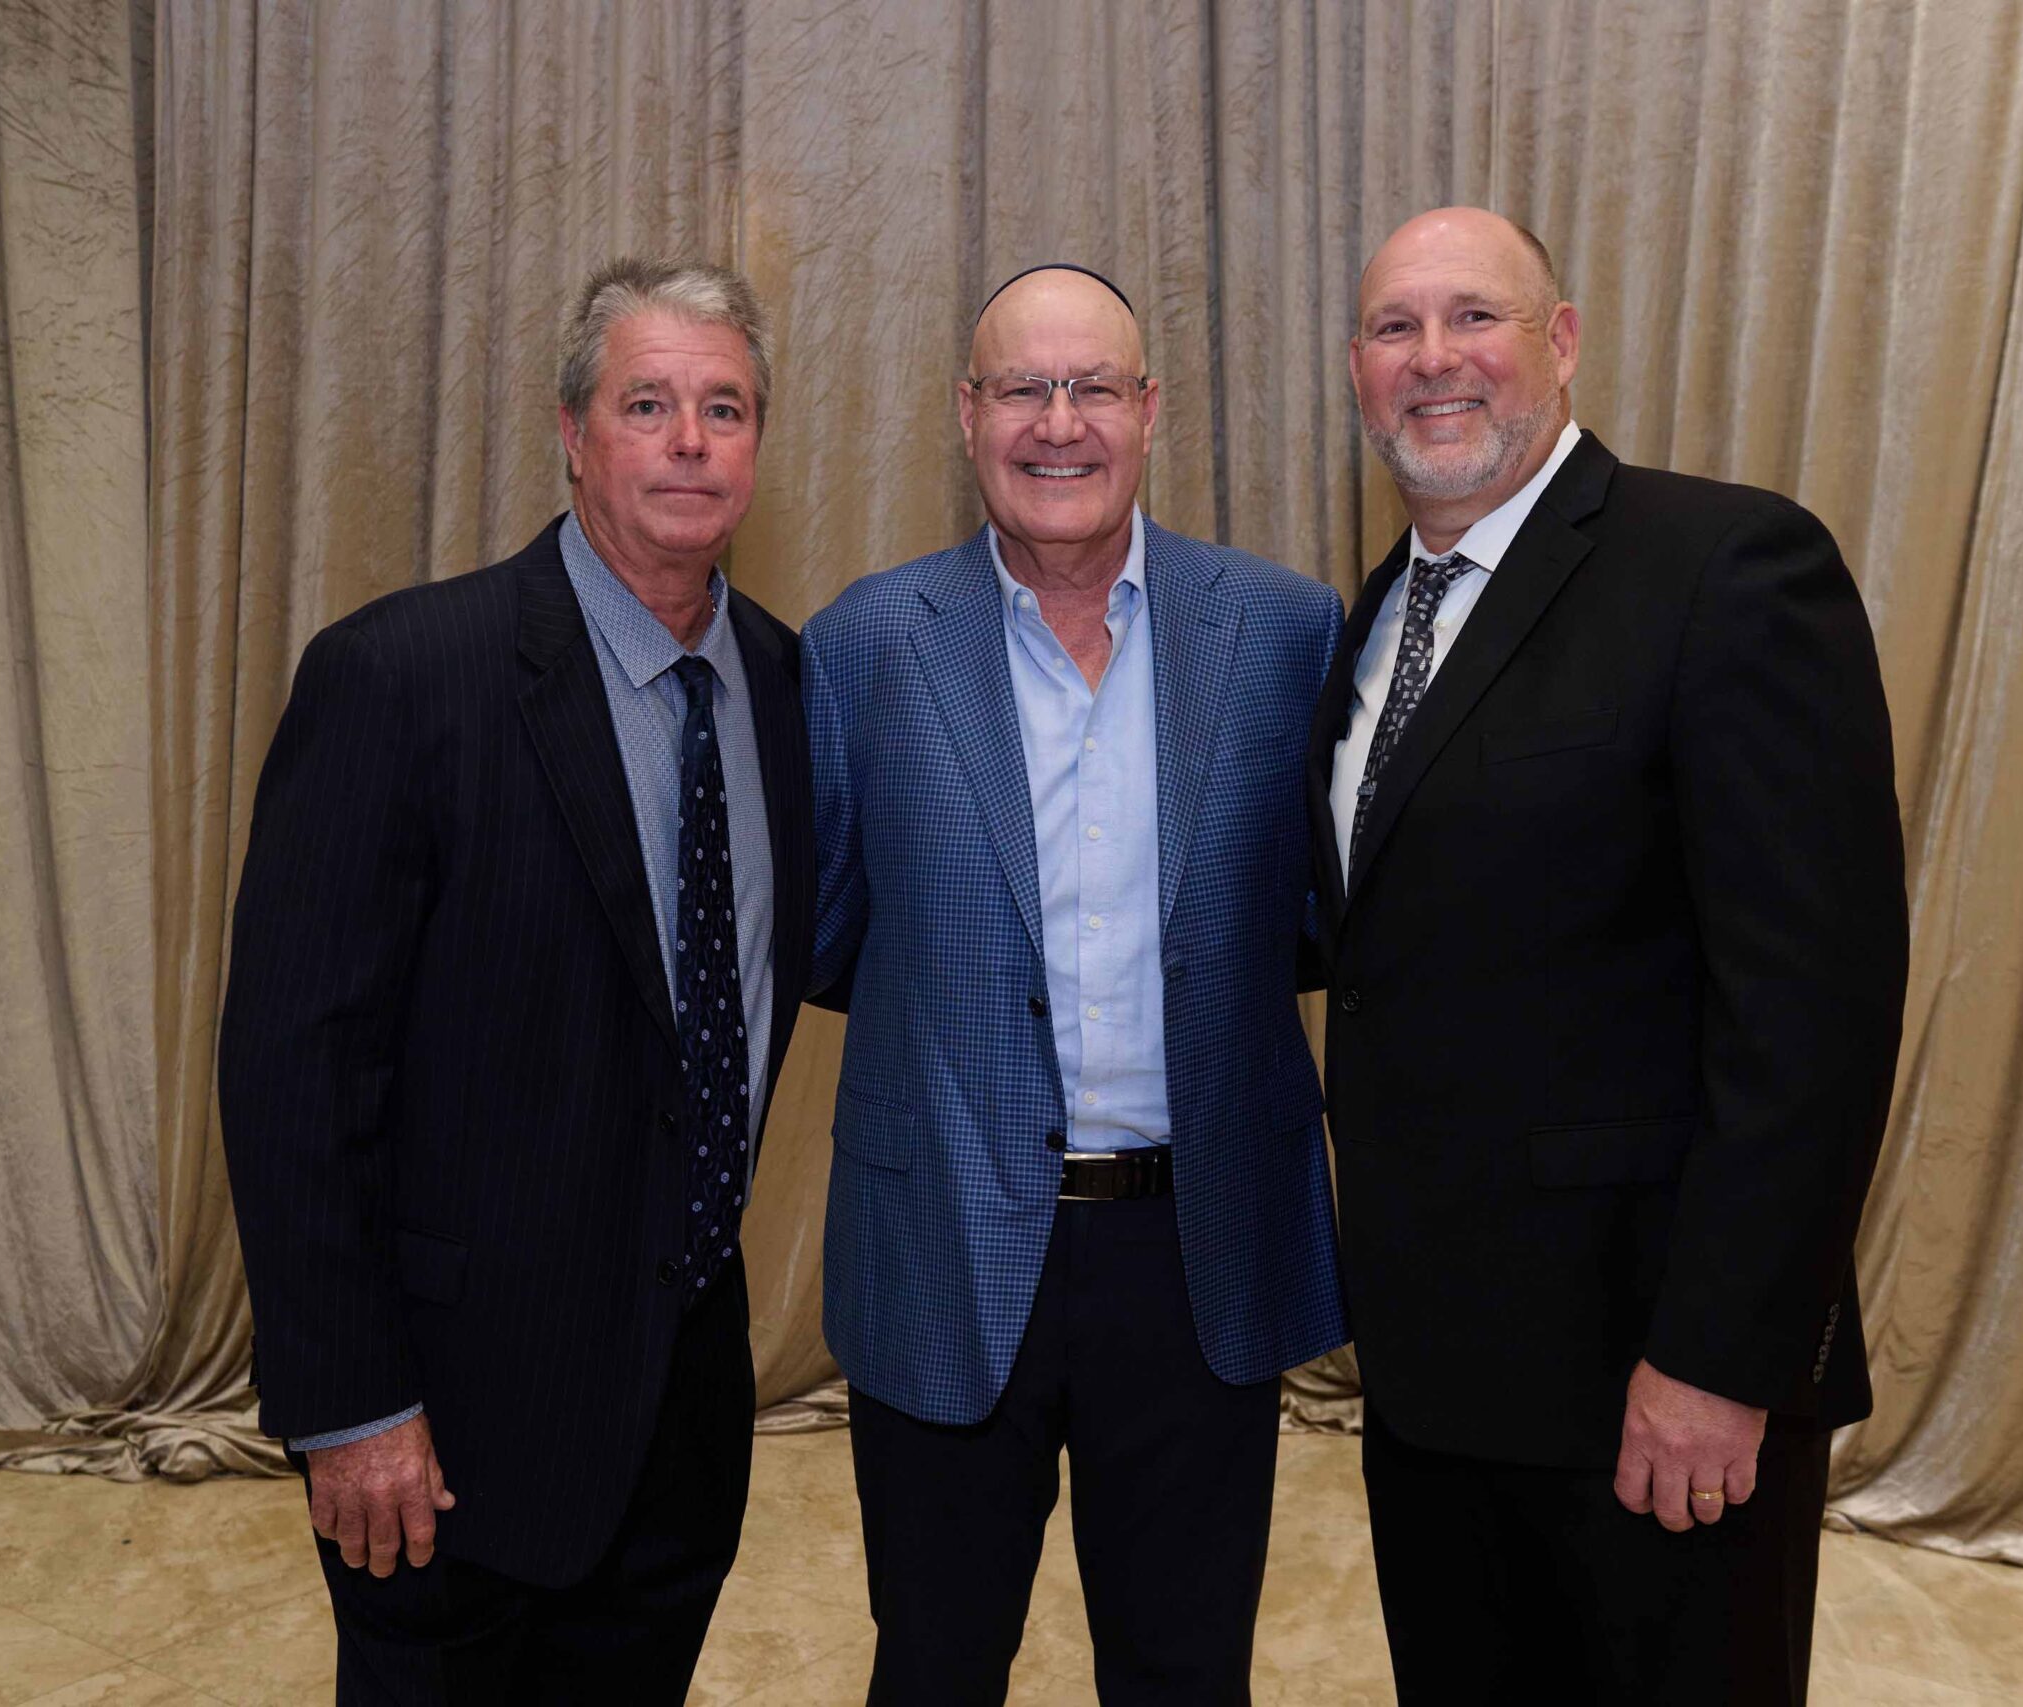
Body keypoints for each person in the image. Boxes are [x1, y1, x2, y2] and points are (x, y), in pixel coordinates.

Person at [1312, 206, 1909, 1704]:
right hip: (1437, 1378)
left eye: (1476, 316)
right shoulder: (1379, 614)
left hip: (1652, 1390)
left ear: (1563, 342)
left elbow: (1813, 1015)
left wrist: (1721, 1360)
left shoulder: (1726, 566)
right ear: (1356, 368)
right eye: (1394, 327)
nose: (1433, 358)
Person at [216, 256, 810, 1704]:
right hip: (449, 1427)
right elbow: (293, 1072)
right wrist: (352, 1402)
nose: (688, 442)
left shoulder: (789, 687)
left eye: (724, 408)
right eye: (647, 404)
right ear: (571, 433)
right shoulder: (401, 677)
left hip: (682, 1409)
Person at [802, 263, 1349, 1704]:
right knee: (934, 1667)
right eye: (1022, 389)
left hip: (1197, 1249)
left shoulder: (1286, 633)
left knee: (1185, 1673)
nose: (1059, 423)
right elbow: (831, 933)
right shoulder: (867, 645)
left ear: (1150, 410)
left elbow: (1312, 918)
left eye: (1093, 387)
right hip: (943, 1235)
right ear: (965, 414)